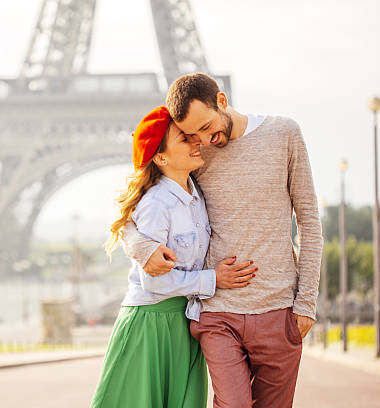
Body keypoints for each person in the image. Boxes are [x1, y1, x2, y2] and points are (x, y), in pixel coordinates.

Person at [122, 73, 323, 408]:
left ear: (222, 101)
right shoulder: (195, 154)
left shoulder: (284, 133)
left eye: (206, 126)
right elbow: (135, 205)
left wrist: (306, 304)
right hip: (217, 312)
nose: (204, 139)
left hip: (278, 310)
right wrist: (143, 248)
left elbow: (309, 222)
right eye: (192, 134)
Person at [90, 106, 256, 408]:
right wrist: (214, 279)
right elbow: (153, 283)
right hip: (150, 324)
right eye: (184, 139)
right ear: (161, 157)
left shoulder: (196, 195)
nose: (196, 142)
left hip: (183, 321)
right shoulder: (156, 204)